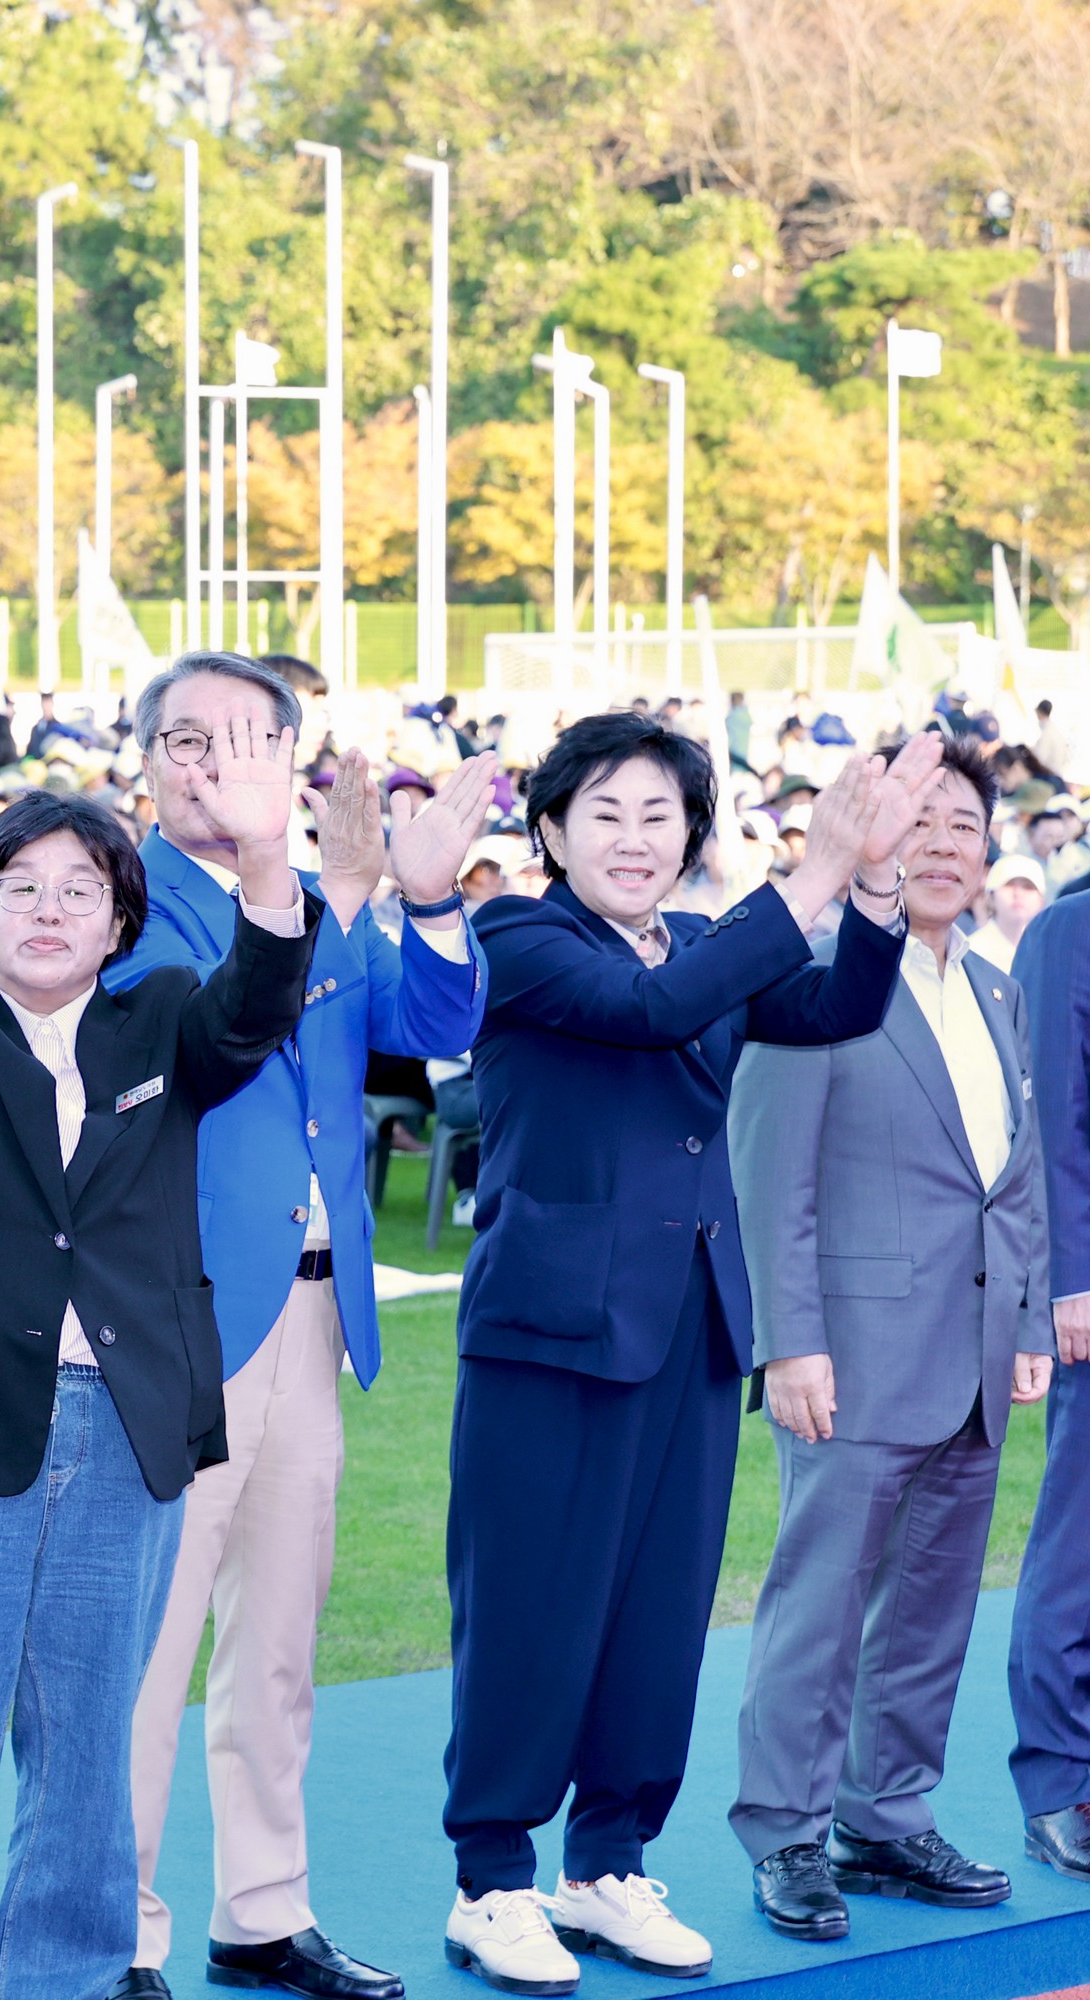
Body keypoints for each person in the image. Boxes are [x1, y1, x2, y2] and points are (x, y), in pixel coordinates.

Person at [0, 686, 315, 2000]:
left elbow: (259, 1003)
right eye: (19, 887)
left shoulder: (166, 1024)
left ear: (120, 922)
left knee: (90, 1747)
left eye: (79, 890)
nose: (48, 910)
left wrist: (268, 852)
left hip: (126, 1424)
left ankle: (68, 1982)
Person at [438, 715, 936, 1993]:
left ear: (692, 837)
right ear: (549, 831)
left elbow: (838, 1005)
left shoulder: (710, 944)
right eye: (604, 812)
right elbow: (649, 1012)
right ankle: (491, 1880)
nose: (635, 839)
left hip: (696, 1323)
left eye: (661, 816)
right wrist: (813, 874)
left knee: (656, 1615)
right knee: (530, 1608)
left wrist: (872, 879)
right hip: (553, 1329)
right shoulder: (521, 940)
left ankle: (607, 1864)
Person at [104, 655, 497, 2000]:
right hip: (175, 1316)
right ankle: (119, 1931)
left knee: (277, 1639)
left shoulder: (333, 900)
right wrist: (302, 885)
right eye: (194, 740)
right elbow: (200, 1039)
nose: (224, 763)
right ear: (148, 759)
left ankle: (262, 1910)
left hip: (316, 1312)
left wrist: (428, 896)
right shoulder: (115, 898)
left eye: (257, 738)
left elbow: (437, 1021)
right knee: (148, 1652)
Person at [725, 733, 1047, 1940]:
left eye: (964, 824)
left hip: (968, 1354)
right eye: (918, 821)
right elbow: (770, 1172)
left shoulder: (995, 986)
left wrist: (1021, 1315)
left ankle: (887, 1813)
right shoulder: (815, 976)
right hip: (847, 1353)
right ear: (872, 833)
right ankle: (788, 1832)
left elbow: (1011, 1178)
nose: (943, 846)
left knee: (932, 1601)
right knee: (821, 1600)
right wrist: (791, 1340)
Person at [1008, 852, 1090, 1883]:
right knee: (1080, 1541)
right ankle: (1059, 1779)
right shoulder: (1067, 930)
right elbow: (1050, 1126)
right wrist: (1068, 1277)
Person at [973, 854, 1046, 969]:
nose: (1018, 893)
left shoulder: (1050, 950)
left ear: (1041, 901)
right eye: (1009, 885)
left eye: (1028, 887)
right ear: (990, 897)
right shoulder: (973, 951)